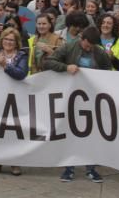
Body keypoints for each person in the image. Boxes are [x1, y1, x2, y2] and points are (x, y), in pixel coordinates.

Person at [45, 26, 112, 183]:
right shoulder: (69, 47)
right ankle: (69, 168)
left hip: (92, 98)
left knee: (92, 134)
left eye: (91, 46)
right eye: (87, 45)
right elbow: (49, 62)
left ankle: (91, 168)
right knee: (71, 132)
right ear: (82, 39)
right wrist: (65, 67)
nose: (89, 48)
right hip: (71, 97)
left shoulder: (98, 51)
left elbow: (108, 69)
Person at [0, 27, 28, 176]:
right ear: (1, 40)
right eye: (6, 39)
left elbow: (21, 74)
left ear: (16, 43)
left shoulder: (21, 56)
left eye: (11, 40)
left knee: (13, 130)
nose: (8, 42)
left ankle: (14, 162)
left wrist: (6, 66)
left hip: (14, 97)